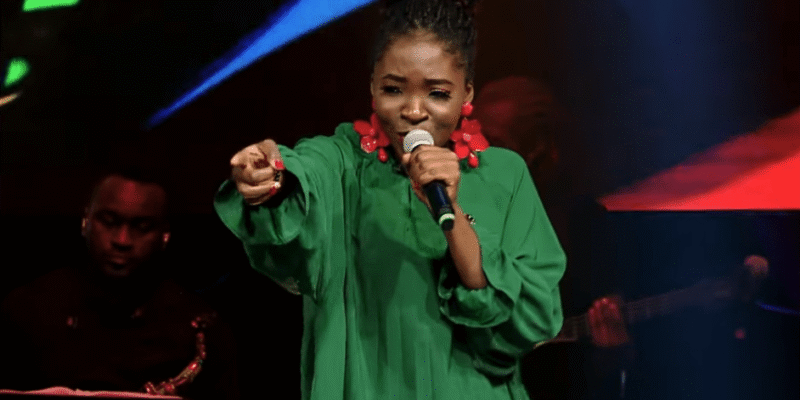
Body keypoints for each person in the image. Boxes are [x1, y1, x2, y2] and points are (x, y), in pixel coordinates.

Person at [213, 0, 566, 399]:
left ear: (467, 91)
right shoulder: (344, 163)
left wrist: (452, 215)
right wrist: (271, 176)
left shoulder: (504, 175)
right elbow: (304, 173)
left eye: (437, 93)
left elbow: (532, 320)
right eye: (393, 89)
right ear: (372, 86)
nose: (413, 111)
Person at [0, 169, 239, 399]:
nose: (122, 240)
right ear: (85, 222)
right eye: (109, 221)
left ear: (165, 235)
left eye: (142, 227)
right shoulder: (26, 309)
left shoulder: (201, 328)